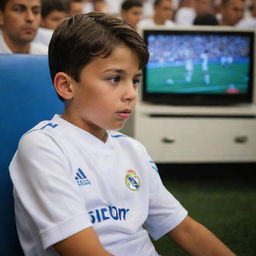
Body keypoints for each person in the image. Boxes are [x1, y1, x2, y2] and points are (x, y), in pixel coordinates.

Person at [9, 12, 237, 256]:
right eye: (115, 79)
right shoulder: (43, 146)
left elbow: (185, 229)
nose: (130, 93)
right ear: (66, 86)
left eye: (135, 80)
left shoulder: (133, 149)